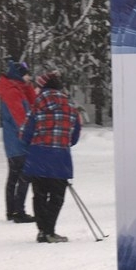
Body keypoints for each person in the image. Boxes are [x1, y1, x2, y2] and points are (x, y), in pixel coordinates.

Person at [19, 72, 82, 243]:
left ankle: (42, 231)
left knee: (39, 195)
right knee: (56, 197)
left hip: (38, 158)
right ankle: (49, 231)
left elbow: (24, 134)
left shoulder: (36, 107)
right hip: (60, 159)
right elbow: (74, 137)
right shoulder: (71, 109)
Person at [0, 60, 37, 223]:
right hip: (18, 141)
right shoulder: (12, 92)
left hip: (13, 141)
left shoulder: (16, 89)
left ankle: (11, 211)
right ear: (19, 75)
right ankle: (18, 211)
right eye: (26, 74)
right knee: (24, 175)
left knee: (14, 176)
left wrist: (27, 87)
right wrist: (29, 135)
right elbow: (20, 118)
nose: (29, 77)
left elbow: (33, 103)